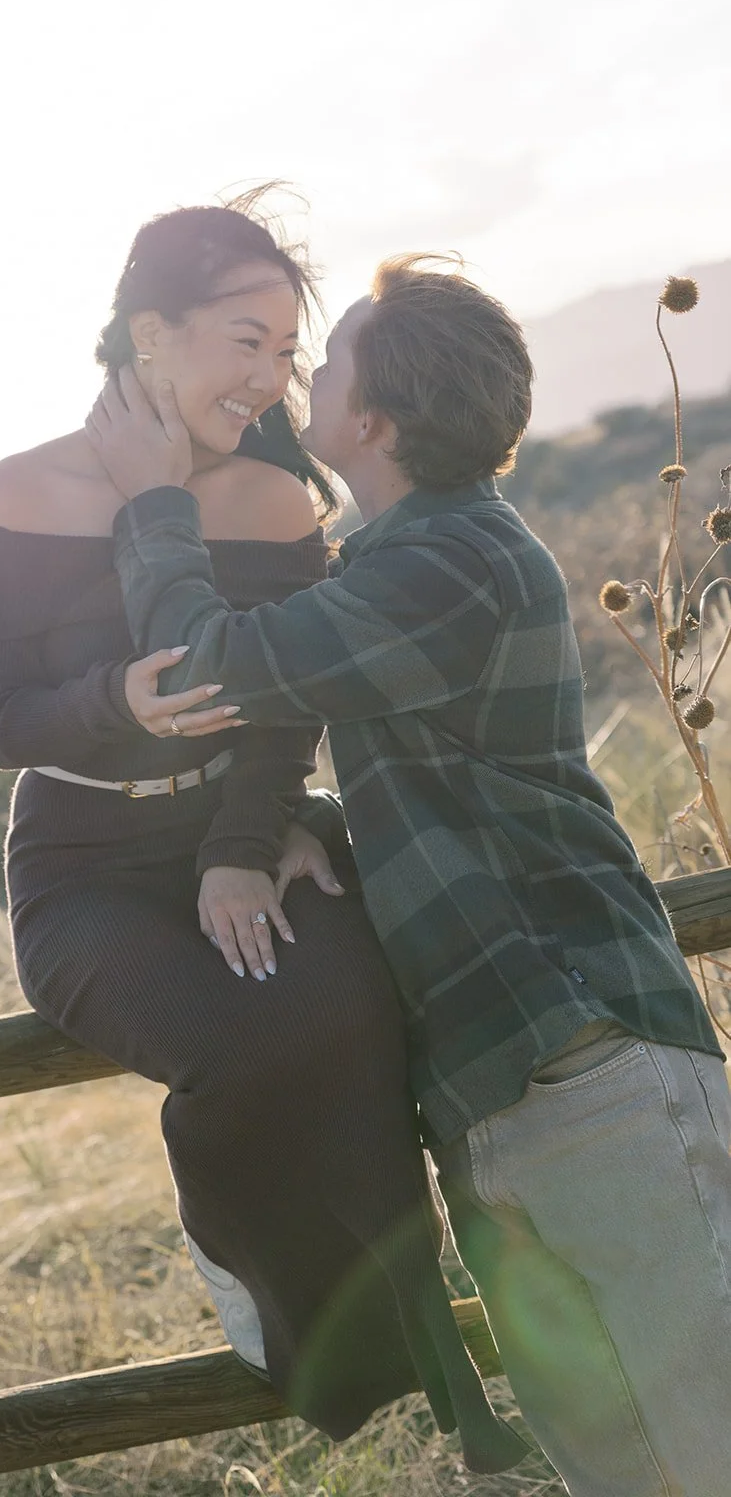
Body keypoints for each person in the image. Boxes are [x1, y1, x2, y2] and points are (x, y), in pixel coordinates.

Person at [86, 254, 731, 1497]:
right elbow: (433, 782)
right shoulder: (400, 562)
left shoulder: (451, 562)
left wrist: (151, 499)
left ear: (369, 421)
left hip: (584, 1064)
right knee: (630, 1472)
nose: (297, 374)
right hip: (502, 1096)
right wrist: (303, 825)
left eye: (323, 365)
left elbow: (213, 662)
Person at [0, 198, 524, 1471]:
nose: (270, 378)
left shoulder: (268, 500)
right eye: (243, 342)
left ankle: (451, 1380)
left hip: (243, 834)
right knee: (241, 1047)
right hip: (80, 874)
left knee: (356, 1028)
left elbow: (280, 705)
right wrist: (112, 703)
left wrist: (244, 844)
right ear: (151, 335)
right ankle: (256, 1278)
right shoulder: (1, 499)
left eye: (285, 352)